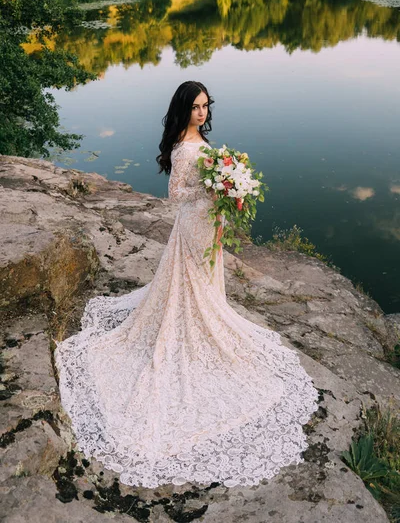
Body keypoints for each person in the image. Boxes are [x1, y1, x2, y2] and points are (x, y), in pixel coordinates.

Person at [54, 80, 319, 489]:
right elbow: (175, 195)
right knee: (190, 284)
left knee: (207, 282)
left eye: (206, 106)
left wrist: (228, 185)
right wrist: (213, 185)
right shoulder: (182, 145)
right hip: (193, 221)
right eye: (196, 107)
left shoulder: (202, 139)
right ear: (183, 108)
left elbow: (208, 183)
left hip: (209, 220)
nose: (202, 113)